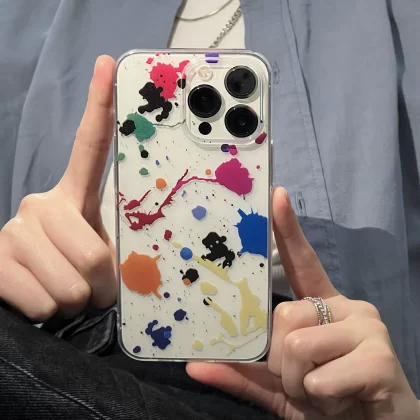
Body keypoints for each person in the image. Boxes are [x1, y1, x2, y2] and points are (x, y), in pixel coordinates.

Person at [0, 0, 419, 417]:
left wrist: (400, 411)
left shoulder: (394, 25)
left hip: (294, 399)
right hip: (78, 364)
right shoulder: (26, 20)